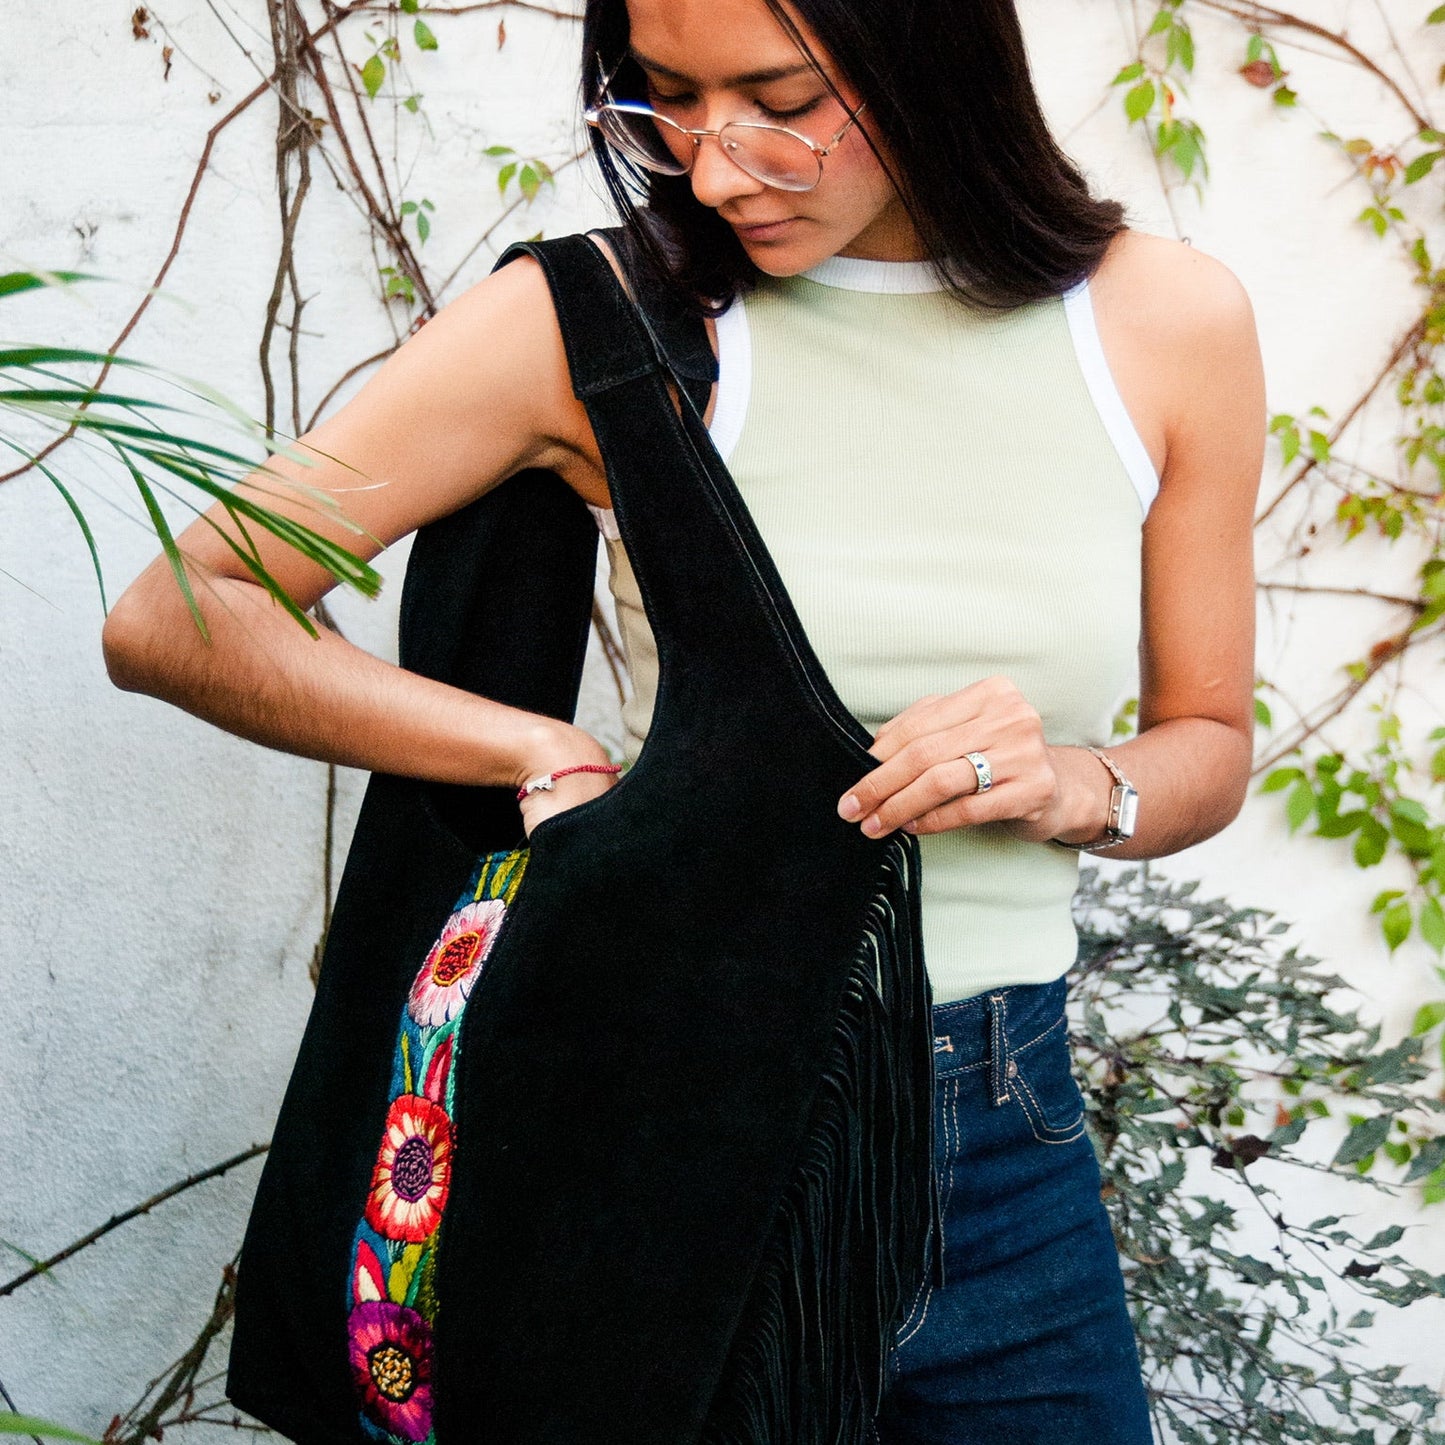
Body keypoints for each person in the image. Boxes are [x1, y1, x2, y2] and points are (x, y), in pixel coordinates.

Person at [101, 0, 1266, 1438]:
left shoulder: (1165, 324)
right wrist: (531, 747)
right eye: (663, 102)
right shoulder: (603, 326)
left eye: (779, 100)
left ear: (929, 57)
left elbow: (1206, 738)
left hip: (1005, 1145)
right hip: (682, 1121)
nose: (713, 171)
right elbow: (175, 609)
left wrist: (1075, 783)